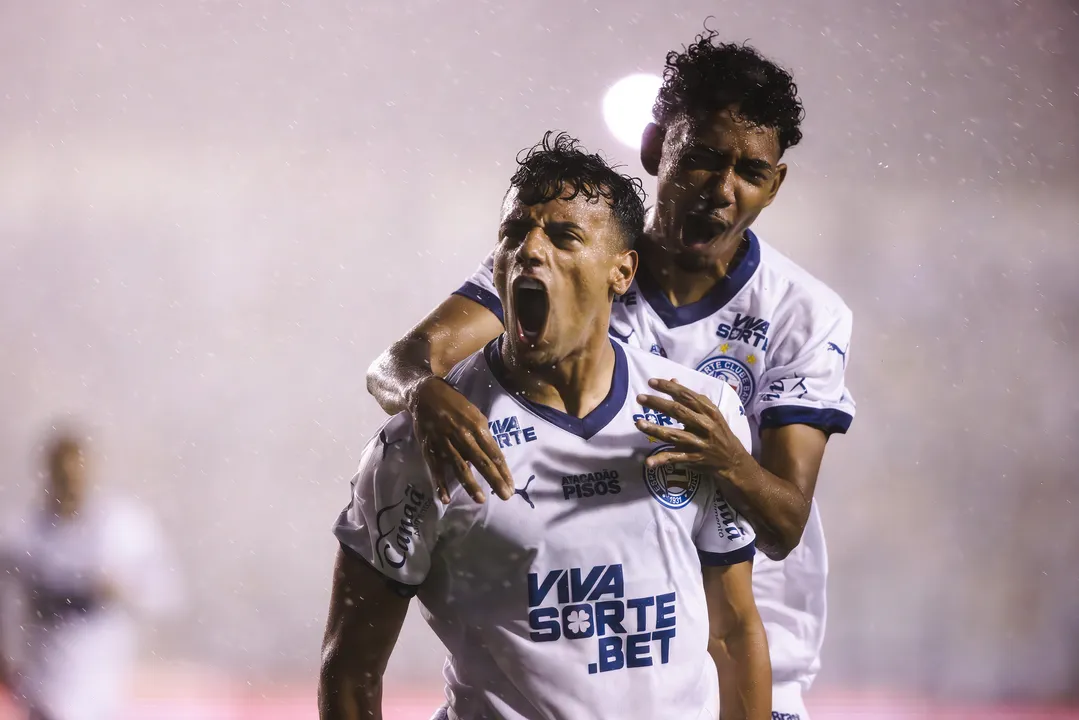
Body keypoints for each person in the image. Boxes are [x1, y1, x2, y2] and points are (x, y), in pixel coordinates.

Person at [365, 31, 855, 719]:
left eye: (748, 171)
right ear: (658, 149)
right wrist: (423, 393)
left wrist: (724, 460)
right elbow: (398, 364)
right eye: (702, 160)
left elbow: (780, 525)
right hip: (580, 633)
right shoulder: (564, 258)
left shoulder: (804, 312)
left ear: (773, 185)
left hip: (747, 643)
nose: (721, 189)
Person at [320, 132, 770, 720]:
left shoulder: (697, 411)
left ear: (622, 271)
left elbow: (733, 632)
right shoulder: (421, 443)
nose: (529, 250)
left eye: (563, 236)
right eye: (513, 233)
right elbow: (352, 669)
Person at [0, 430, 181, 720]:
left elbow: (166, 592)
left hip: (103, 685)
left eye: (76, 475)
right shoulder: (23, 535)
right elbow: (7, 601)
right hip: (45, 685)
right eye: (62, 475)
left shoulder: (122, 528)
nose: (70, 485)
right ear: (46, 475)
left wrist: (124, 589)